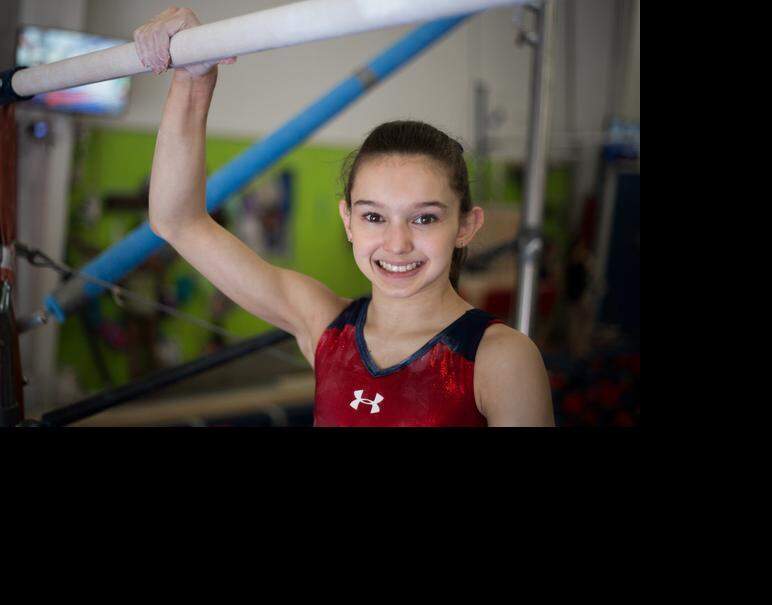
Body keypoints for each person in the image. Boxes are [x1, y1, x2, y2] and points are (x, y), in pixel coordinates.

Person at [135, 7, 555, 426]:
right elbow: (177, 221)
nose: (397, 243)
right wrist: (192, 78)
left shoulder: (499, 358)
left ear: (466, 226)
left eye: (424, 219)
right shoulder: (324, 327)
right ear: (347, 220)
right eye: (374, 217)